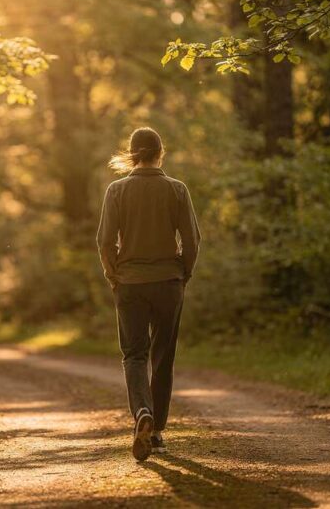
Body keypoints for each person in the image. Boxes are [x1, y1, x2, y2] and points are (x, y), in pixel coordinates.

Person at [96, 127, 201, 462]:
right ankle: (156, 434)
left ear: (132, 154)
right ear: (160, 153)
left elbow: (104, 242)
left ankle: (143, 411)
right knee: (163, 357)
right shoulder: (177, 190)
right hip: (169, 282)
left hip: (129, 283)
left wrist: (113, 275)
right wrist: (183, 273)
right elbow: (192, 240)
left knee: (134, 355)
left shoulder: (116, 191)